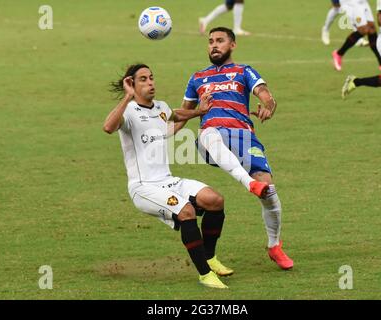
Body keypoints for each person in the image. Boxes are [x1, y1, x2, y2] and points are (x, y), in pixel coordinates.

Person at [103, 64, 234, 289]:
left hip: (167, 180)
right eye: (143, 79)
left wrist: (199, 112)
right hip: (143, 187)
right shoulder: (129, 112)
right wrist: (127, 97)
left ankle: (210, 258)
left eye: (151, 78)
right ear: (132, 84)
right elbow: (108, 126)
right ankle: (205, 274)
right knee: (186, 212)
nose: (150, 82)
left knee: (215, 200)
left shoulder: (160, 107)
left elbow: (175, 115)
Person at [175, 27, 294, 270]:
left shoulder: (243, 71)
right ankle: (248, 183)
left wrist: (268, 107)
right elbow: (184, 113)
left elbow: (266, 95)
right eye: (210, 42)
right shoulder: (197, 77)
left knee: (268, 189)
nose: (214, 46)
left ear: (233, 44)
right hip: (211, 136)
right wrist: (161, 134)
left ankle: (274, 246)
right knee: (209, 133)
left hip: (244, 137)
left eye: (220, 41)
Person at [332, 0, 381, 71]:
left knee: (371, 28)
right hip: (352, 3)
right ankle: (339, 54)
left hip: (363, 2)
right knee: (363, 29)